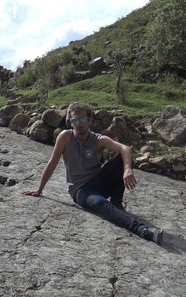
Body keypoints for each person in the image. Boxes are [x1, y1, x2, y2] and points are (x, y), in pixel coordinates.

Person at [22, 102, 163, 245]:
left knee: (123, 158)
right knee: (100, 202)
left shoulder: (98, 140)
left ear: (89, 121)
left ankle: (116, 202)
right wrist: (39, 189)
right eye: (74, 120)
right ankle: (142, 230)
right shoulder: (65, 137)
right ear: (71, 123)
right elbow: (52, 163)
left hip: (99, 181)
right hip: (81, 190)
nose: (79, 123)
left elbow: (125, 148)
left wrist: (127, 169)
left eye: (82, 119)